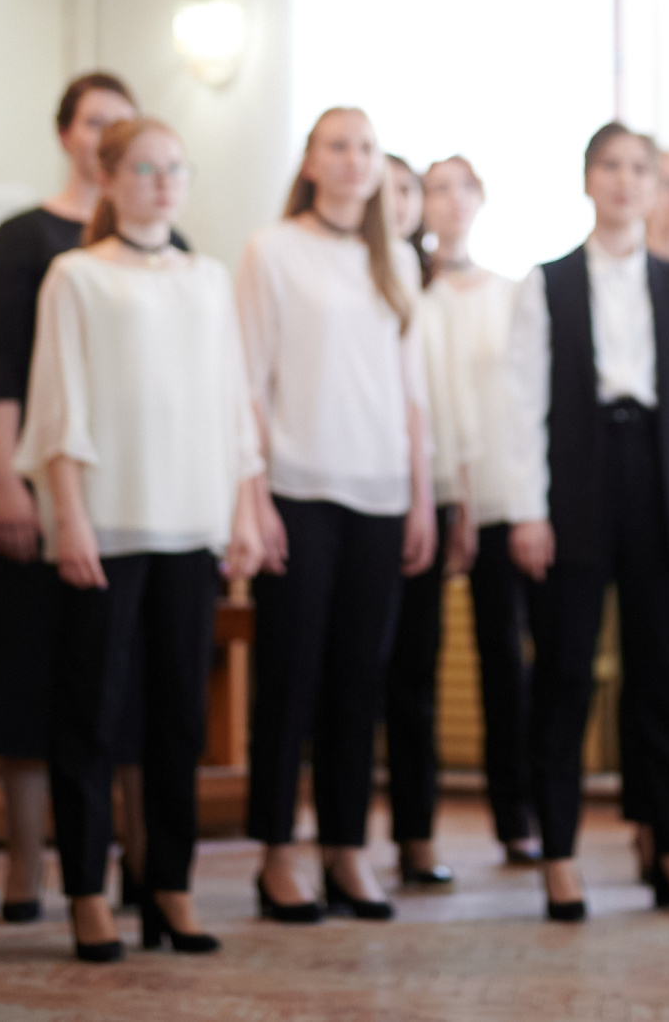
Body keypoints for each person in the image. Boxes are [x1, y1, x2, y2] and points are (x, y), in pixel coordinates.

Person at [20, 117, 269, 961]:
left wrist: (241, 510)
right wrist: (70, 516)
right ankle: (89, 891)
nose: (163, 182)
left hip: (191, 526)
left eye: (175, 169)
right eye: (145, 168)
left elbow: (234, 403)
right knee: (91, 714)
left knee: (179, 722)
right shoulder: (76, 276)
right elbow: (58, 404)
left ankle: (171, 887)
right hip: (109, 523)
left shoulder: (206, 278)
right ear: (110, 176)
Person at [501, 123, 669, 922]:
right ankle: (559, 853)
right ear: (588, 179)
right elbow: (522, 404)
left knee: (661, 677)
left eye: (642, 168)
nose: (628, 181)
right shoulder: (547, 282)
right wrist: (528, 509)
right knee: (565, 675)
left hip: (658, 482)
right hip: (577, 481)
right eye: (612, 166)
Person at [238, 107, 436, 922]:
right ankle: (278, 852)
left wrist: (421, 496)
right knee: (290, 677)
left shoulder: (394, 263)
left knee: (361, 681)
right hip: (297, 490)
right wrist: (253, 498)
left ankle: (346, 849)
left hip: (382, 493)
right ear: (311, 162)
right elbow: (246, 381)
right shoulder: (272, 251)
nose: (356, 161)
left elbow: (412, 394)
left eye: (366, 147)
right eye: (338, 146)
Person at [0, 72, 145, 919]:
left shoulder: (160, 242)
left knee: (124, 681)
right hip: (40, 484)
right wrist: (6, 476)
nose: (110, 136)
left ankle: (139, 859)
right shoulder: (24, 238)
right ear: (68, 135)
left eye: (125, 124)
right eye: (96, 121)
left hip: (132, 492)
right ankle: (26, 860)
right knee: (28, 673)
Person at [417, 156, 535, 866]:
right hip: (421, 496)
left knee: (505, 661)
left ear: (481, 199)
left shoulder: (512, 293)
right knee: (415, 666)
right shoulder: (405, 291)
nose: (451, 201)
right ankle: (416, 833)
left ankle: (516, 816)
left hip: (493, 497)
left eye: (463, 187)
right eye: (436, 189)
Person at [374, 153, 454, 887]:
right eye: (387, 188)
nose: (396, 200)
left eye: (407, 190)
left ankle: (417, 834)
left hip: (431, 492)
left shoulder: (436, 285)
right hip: (361, 488)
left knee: (415, 679)